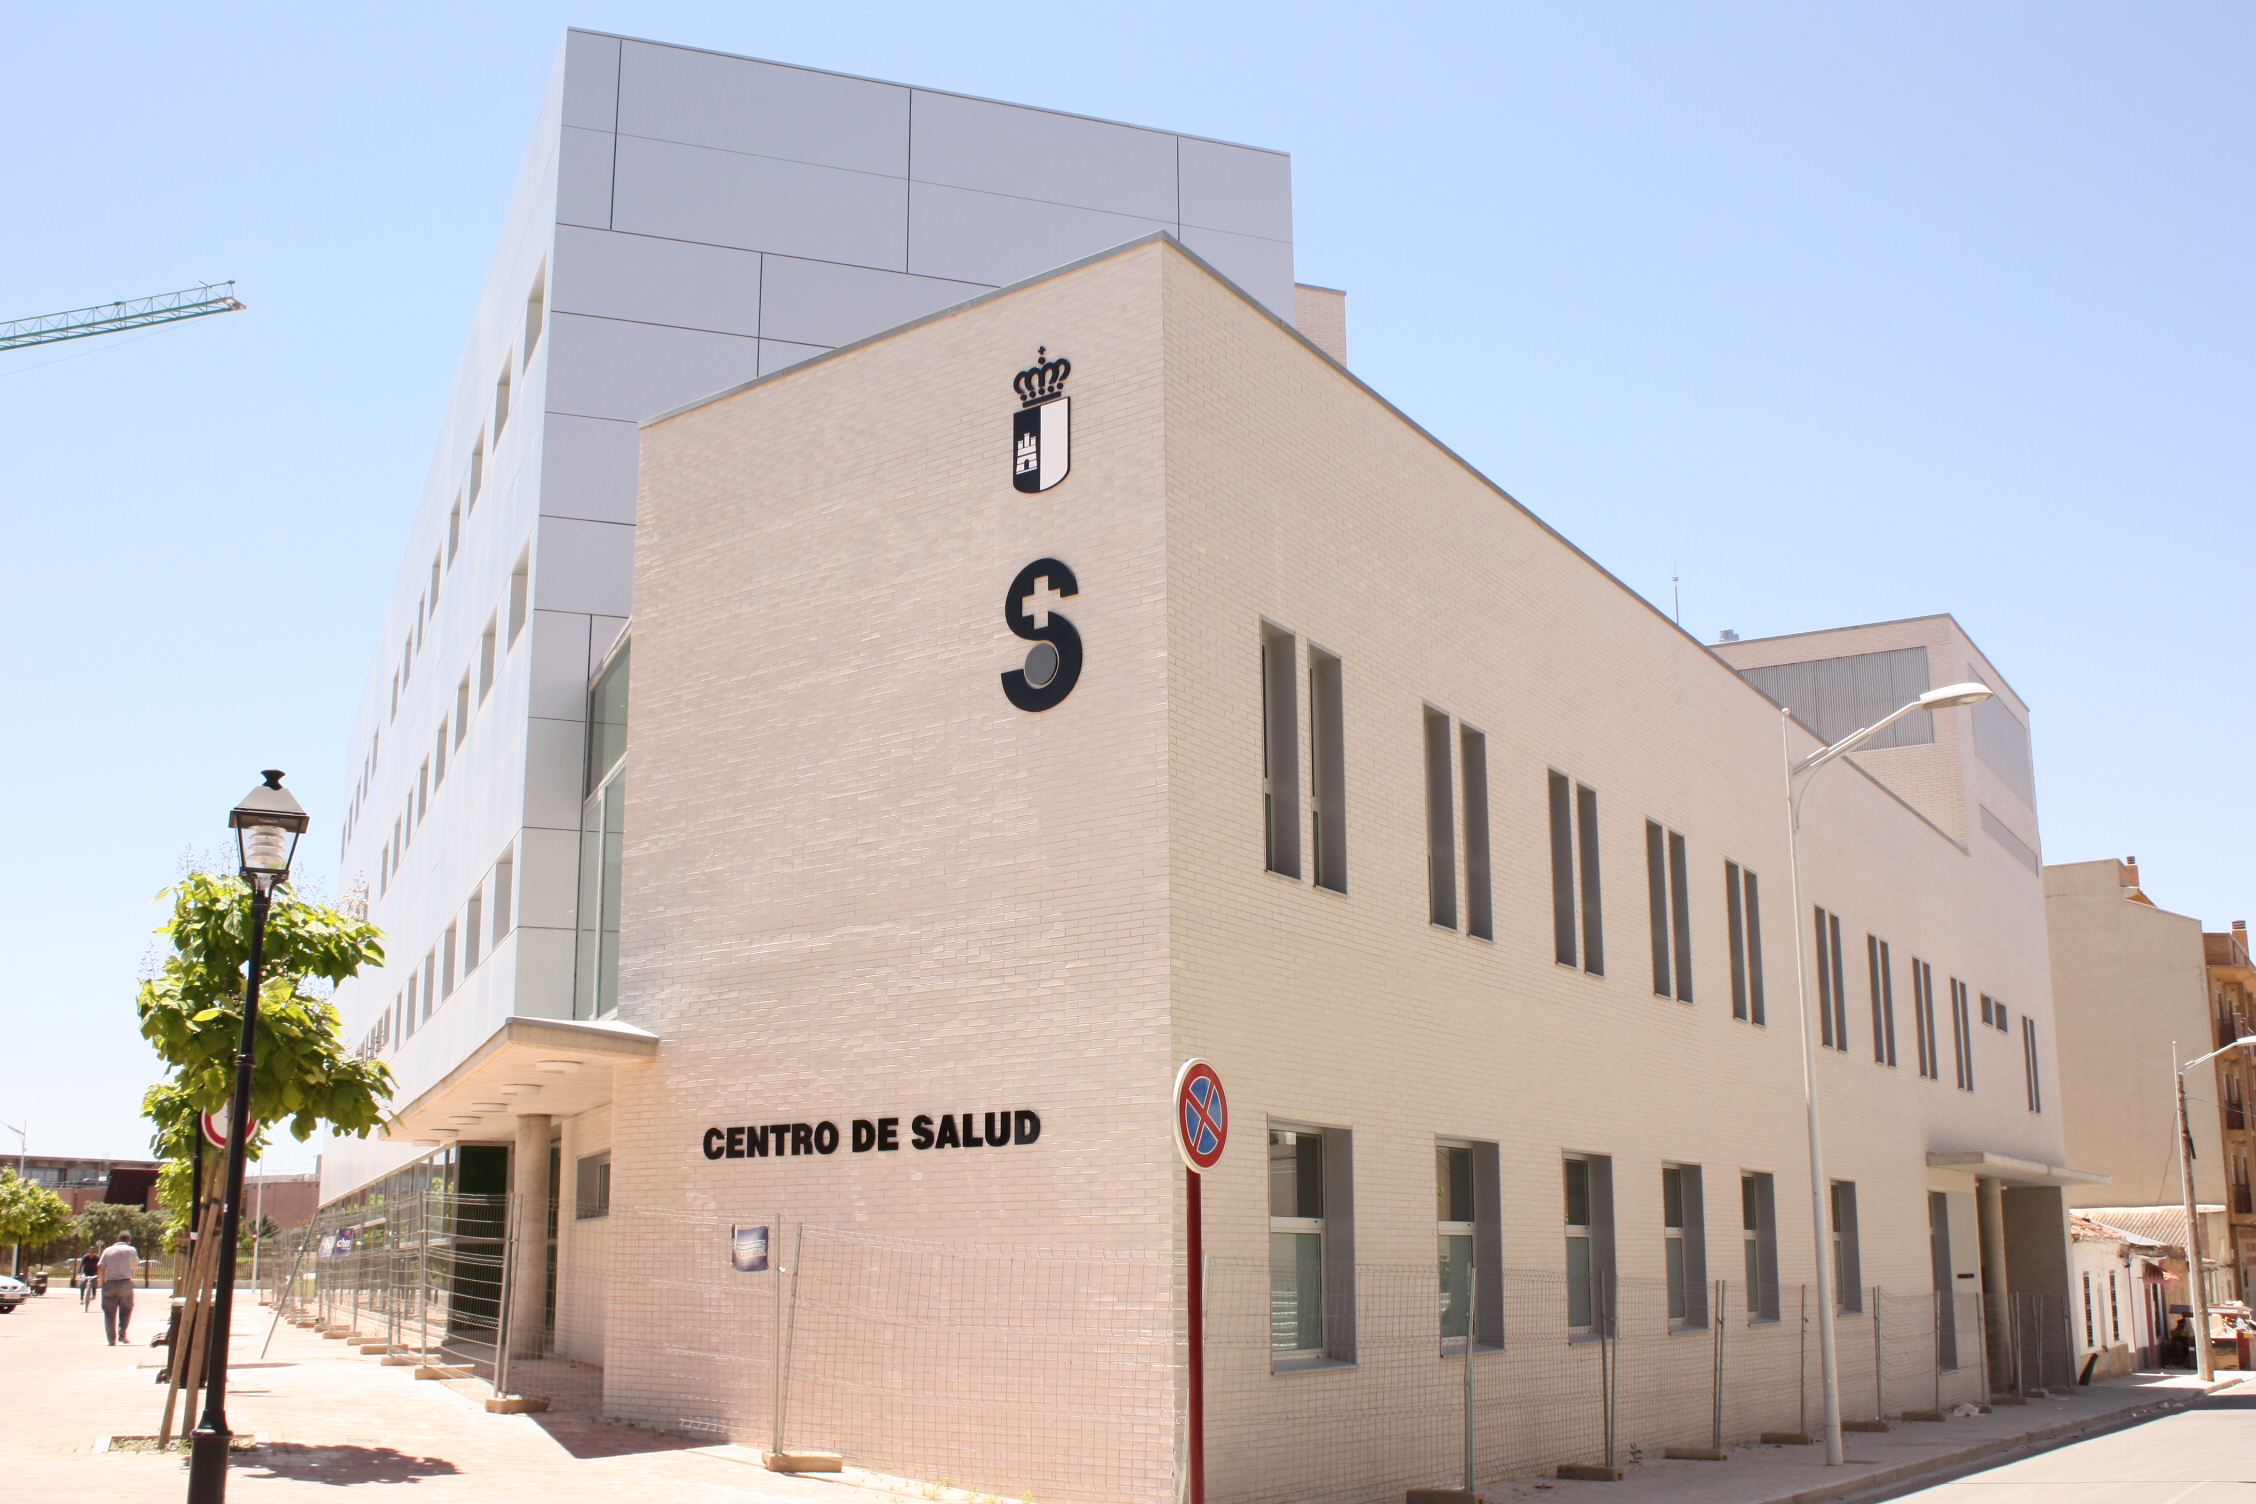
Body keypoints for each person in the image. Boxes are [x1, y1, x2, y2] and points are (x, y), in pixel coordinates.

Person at [98, 1236, 140, 1346]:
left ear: (117, 1239)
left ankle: (111, 1339)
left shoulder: (107, 1250)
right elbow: (136, 1264)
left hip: (110, 1283)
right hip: (125, 1284)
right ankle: (122, 1335)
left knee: (109, 1313)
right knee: (126, 1310)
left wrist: (101, 1283)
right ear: (128, 1240)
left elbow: (100, 1267)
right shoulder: (131, 1249)